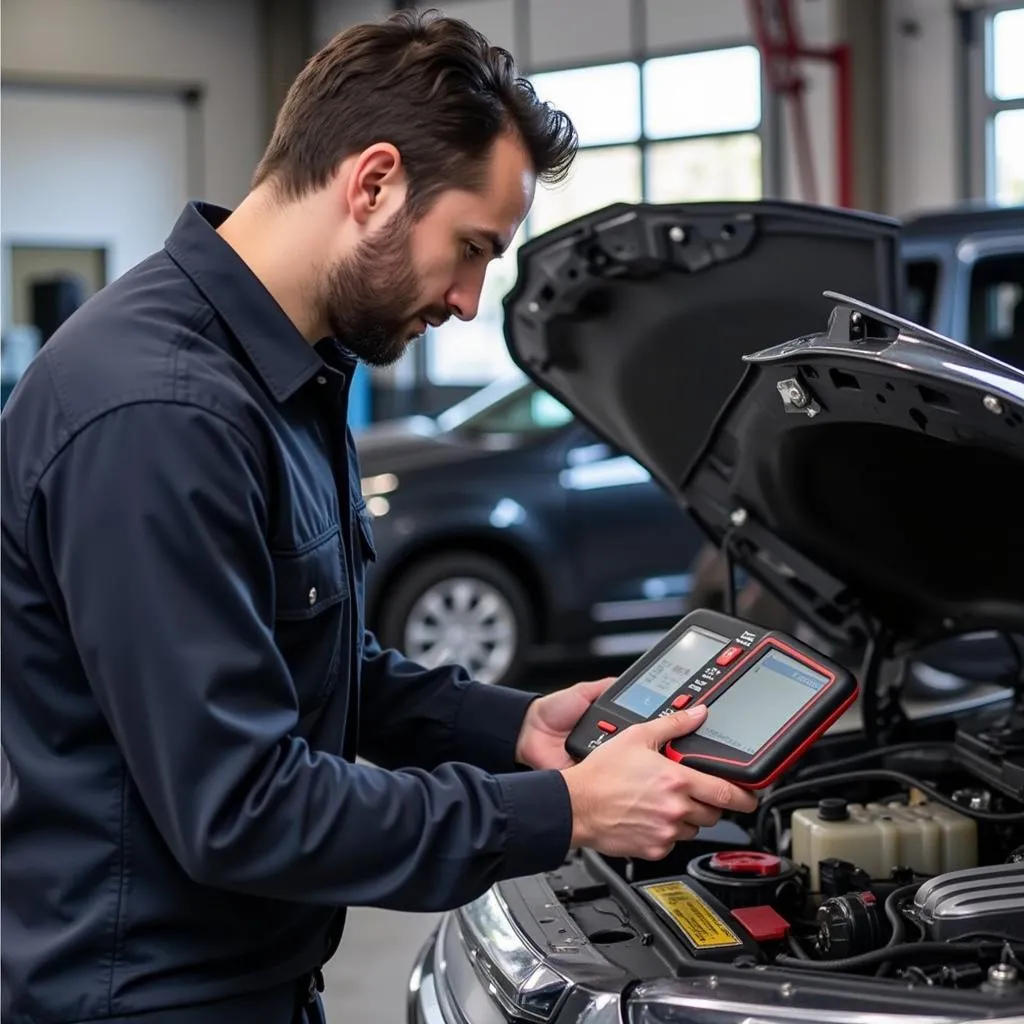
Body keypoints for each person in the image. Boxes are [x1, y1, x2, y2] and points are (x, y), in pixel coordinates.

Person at [0, 10, 758, 1024]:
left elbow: (323, 666)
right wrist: (562, 811)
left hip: (245, 979)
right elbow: (244, 807)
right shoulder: (161, 414)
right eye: (472, 247)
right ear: (373, 184)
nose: (467, 299)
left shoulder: (281, 379)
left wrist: (514, 726)